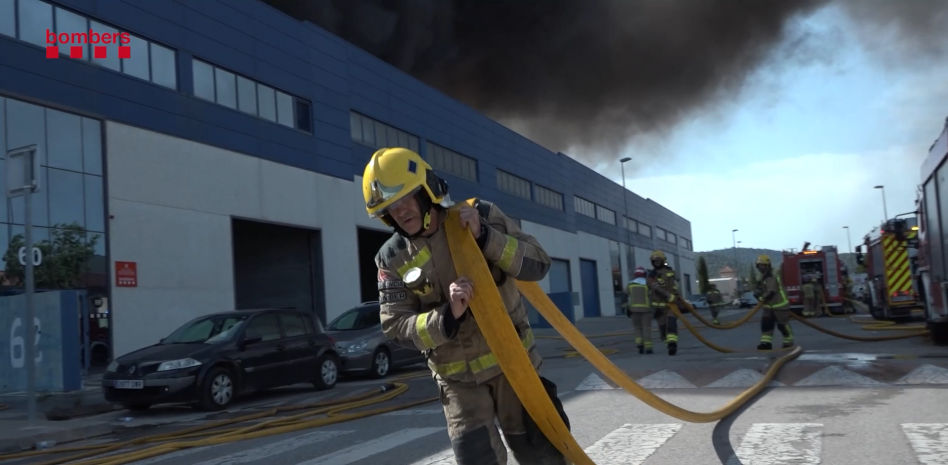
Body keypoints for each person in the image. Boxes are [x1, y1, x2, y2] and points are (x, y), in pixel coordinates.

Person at [363, 147, 568, 465]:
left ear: (426, 189)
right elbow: (394, 326)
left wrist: (486, 237)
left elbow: (537, 263)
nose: (400, 212)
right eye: (390, 208)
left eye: (405, 198)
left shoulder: (479, 215)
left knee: (545, 455)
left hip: (514, 366)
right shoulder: (391, 259)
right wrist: (447, 316)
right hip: (460, 386)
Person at [753, 254, 794, 350]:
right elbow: (762, 289)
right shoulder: (762, 276)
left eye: (763, 265)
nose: (760, 267)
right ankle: (766, 343)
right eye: (759, 265)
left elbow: (771, 291)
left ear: (767, 265)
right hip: (768, 306)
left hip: (780, 305)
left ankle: (788, 341)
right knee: (766, 324)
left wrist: (762, 298)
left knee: (782, 325)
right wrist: (757, 293)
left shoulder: (771, 275)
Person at [646, 250, 681, 355]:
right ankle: (667, 341)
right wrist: (668, 295)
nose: (656, 262)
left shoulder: (670, 271)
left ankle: (672, 345)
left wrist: (678, 298)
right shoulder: (651, 275)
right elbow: (654, 287)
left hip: (671, 305)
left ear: (663, 260)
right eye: (654, 261)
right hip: (659, 308)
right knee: (662, 328)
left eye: (658, 260)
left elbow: (676, 285)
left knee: (671, 323)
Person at [626, 266, 654, 354]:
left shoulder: (630, 284)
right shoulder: (647, 284)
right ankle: (648, 348)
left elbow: (626, 295)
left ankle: (639, 345)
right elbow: (652, 296)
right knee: (647, 328)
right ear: (644, 274)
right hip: (646, 310)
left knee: (637, 328)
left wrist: (627, 308)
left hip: (634, 310)